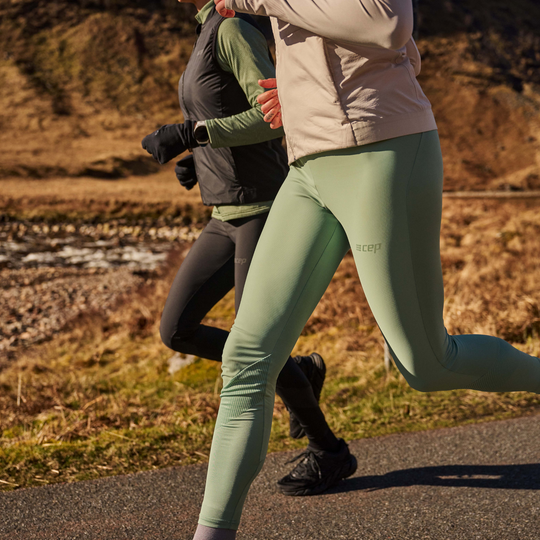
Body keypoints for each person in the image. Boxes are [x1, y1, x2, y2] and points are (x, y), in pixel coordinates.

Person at [190, 0, 540, 538]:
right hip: (308, 165)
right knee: (246, 358)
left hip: (382, 148)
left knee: (427, 366)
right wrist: (297, 91)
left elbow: (386, 23)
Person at [141, 0, 357, 499]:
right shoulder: (205, 32)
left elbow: (274, 118)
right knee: (177, 330)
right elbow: (221, 112)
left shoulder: (234, 28)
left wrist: (193, 134)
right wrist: (199, 158)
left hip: (263, 208)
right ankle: (300, 369)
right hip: (224, 214)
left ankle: (330, 451)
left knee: (253, 345)